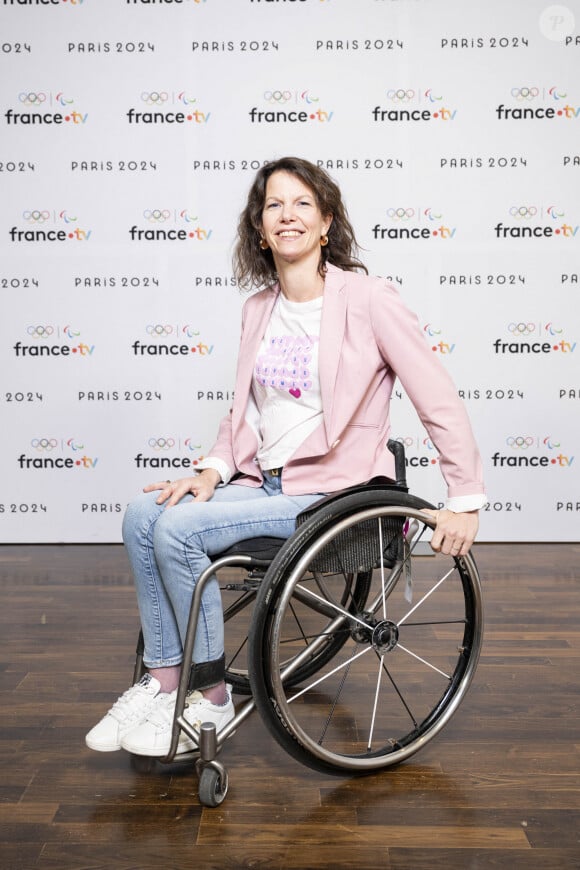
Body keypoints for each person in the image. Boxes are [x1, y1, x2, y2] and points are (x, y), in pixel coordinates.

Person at [86, 156, 485, 757]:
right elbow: (244, 413)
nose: (287, 215)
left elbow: (438, 396)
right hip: (264, 481)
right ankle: (163, 683)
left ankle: (210, 698)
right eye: (274, 204)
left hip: (331, 492)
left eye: (302, 204)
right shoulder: (258, 309)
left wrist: (466, 499)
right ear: (260, 225)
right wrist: (213, 470)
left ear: (326, 223)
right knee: (142, 516)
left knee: (176, 533)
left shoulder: (369, 300)